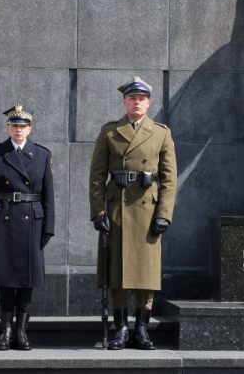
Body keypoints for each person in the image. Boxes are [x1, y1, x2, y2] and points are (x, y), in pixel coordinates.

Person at [89, 77, 177, 350]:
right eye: (132, 98)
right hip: (117, 210)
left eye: (141, 99)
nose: (136, 102)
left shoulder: (161, 133)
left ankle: (141, 329)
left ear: (148, 103)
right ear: (124, 101)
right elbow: (96, 176)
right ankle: (121, 330)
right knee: (117, 272)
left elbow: (169, 179)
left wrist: (164, 213)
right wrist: (98, 212)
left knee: (145, 272)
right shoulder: (110, 132)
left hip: (147, 211)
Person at [0, 105, 55, 351]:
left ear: (29, 129)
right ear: (7, 128)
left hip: (32, 219)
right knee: (5, 277)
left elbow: (49, 195)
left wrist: (49, 227)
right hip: (2, 220)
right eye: (14, 126)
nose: (18, 130)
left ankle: (21, 331)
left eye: (23, 126)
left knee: (26, 278)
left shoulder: (42, 155)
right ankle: (6, 330)